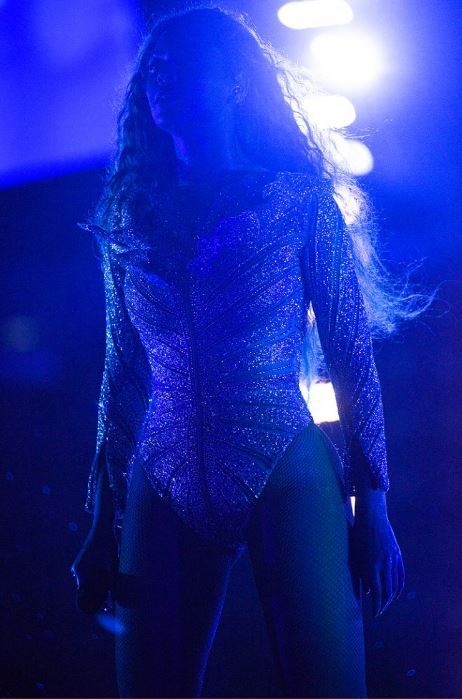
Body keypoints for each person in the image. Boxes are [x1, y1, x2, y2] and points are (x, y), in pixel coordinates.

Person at [70, 5, 432, 697]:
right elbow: (123, 374)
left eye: (185, 67)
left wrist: (375, 510)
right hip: (161, 474)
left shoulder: (299, 200)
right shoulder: (126, 216)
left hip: (286, 465)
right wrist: (100, 524)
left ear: (234, 81)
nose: (164, 82)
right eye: (155, 70)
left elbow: (351, 358)